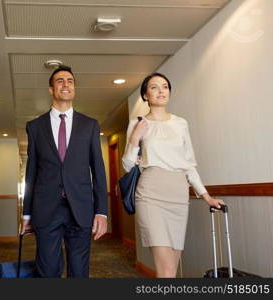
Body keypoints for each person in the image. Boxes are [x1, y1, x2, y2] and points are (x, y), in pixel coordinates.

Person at [122, 73, 224, 278]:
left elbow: (189, 166)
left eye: (165, 87)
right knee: (165, 270)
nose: (161, 91)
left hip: (178, 195)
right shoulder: (138, 123)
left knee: (172, 269)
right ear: (145, 94)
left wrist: (206, 196)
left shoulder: (181, 124)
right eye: (154, 87)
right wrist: (135, 138)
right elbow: (126, 165)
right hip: (150, 193)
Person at [21, 66, 108, 278]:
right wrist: (26, 213)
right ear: (51, 89)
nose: (66, 84)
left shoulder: (90, 125)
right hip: (46, 208)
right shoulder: (35, 126)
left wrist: (101, 211)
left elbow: (98, 169)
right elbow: (31, 172)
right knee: (48, 270)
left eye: (70, 81)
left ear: (74, 88)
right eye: (60, 81)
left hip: (80, 207)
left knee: (79, 270)